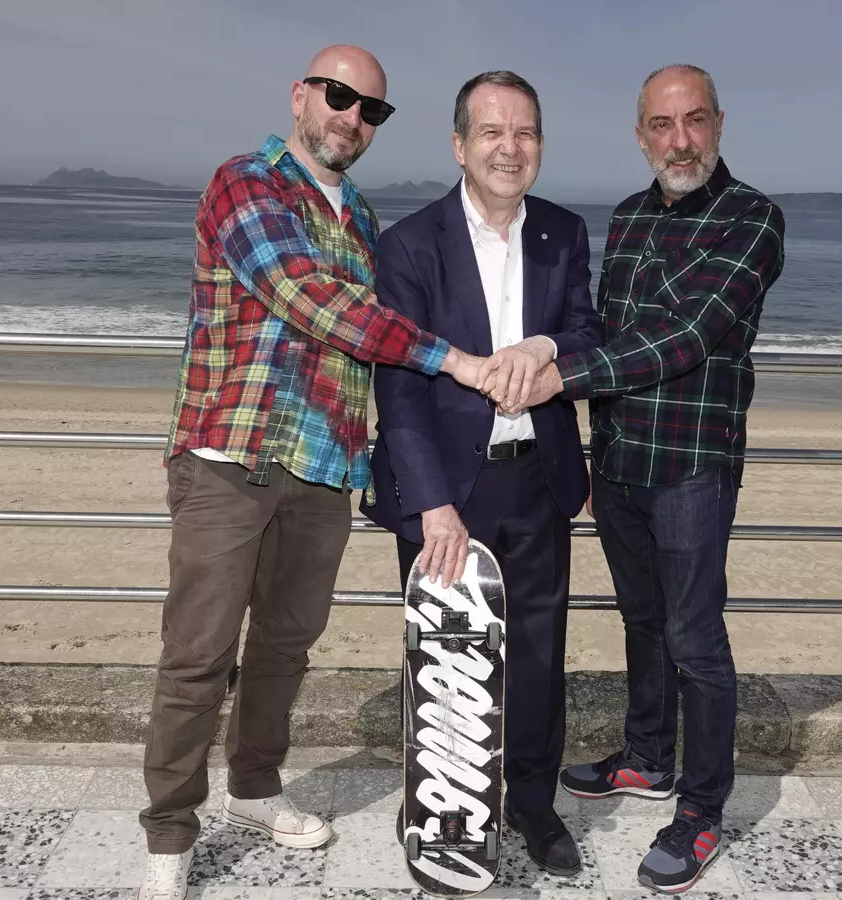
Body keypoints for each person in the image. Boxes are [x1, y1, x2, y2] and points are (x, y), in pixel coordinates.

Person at [136, 45, 495, 900]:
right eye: (339, 96)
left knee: (285, 647)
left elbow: (375, 339)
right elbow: (312, 300)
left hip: (327, 465)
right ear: (301, 95)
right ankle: (170, 835)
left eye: (372, 109)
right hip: (231, 453)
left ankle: (255, 788)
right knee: (199, 653)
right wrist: (459, 361)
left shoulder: (363, 218)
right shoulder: (246, 182)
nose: (352, 118)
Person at [509, 63, 786, 893]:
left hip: (693, 465)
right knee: (642, 620)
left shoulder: (753, 219)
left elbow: (687, 335)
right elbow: (605, 327)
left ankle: (700, 811)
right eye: (662, 125)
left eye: (694, 120)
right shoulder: (628, 216)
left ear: (719, 125)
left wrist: (558, 377)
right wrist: (588, 444)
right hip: (622, 462)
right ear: (641, 136)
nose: (680, 140)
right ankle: (647, 756)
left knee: (695, 639)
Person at [363, 70, 603, 876]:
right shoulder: (408, 244)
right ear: (459, 145)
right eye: (493, 132)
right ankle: (439, 802)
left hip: (539, 476)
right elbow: (398, 384)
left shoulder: (564, 231)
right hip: (446, 492)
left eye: (525, 132)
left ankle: (533, 801)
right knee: (444, 655)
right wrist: (430, 503)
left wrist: (544, 347)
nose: (511, 148)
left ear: (541, 145)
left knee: (538, 653)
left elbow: (586, 332)